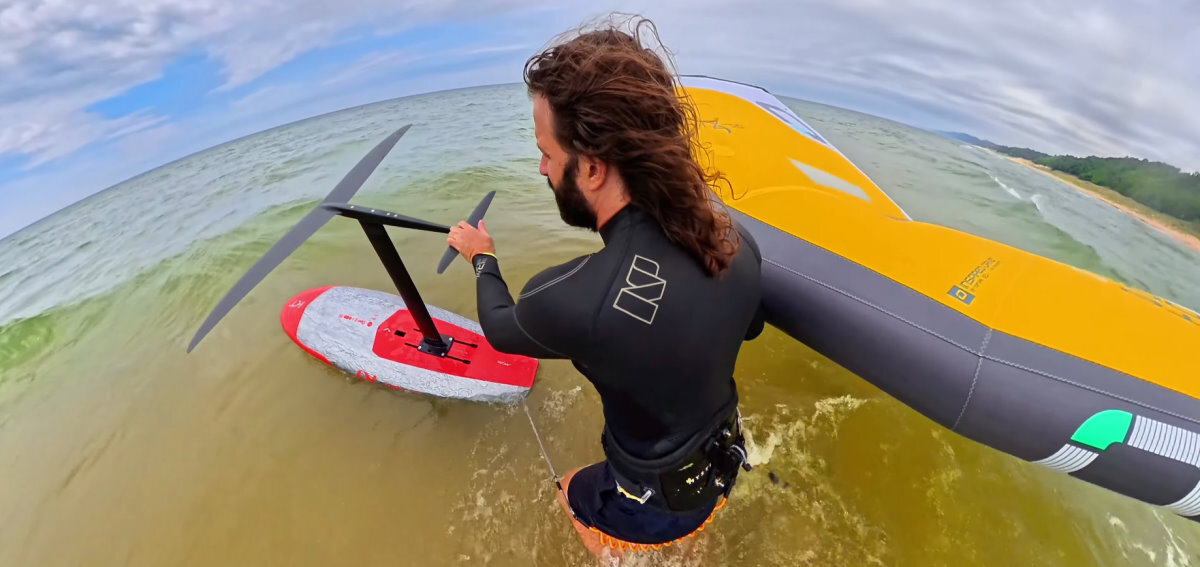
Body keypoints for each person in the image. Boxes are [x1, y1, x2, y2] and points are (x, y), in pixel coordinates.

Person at [446, 15, 765, 557]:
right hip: (726, 460)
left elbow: (500, 329)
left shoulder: (573, 298)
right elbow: (749, 328)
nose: (542, 169)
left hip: (655, 508)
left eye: (547, 152)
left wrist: (483, 257)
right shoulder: (732, 238)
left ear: (593, 169)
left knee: (566, 492)